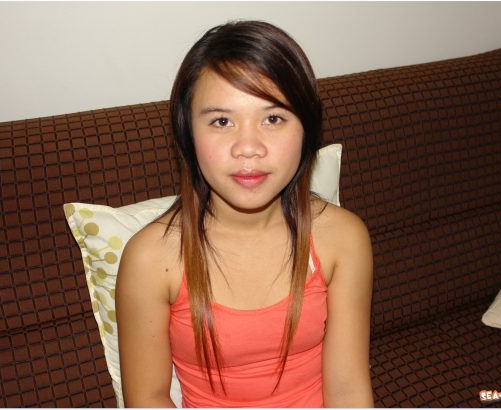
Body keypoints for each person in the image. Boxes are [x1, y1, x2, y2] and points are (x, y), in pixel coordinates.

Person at [116, 20, 374, 408]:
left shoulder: (343, 239)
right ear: (188, 133)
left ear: (307, 129)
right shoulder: (151, 259)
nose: (248, 147)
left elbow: (348, 390)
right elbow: (148, 399)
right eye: (222, 121)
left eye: (273, 118)